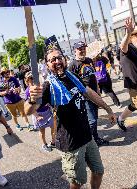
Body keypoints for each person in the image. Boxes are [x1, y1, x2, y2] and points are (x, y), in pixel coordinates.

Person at [25, 46, 116, 189]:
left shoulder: (72, 77)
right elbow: (29, 110)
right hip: (71, 144)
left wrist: (108, 108)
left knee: (98, 171)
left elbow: (88, 92)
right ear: (48, 65)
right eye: (52, 59)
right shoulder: (48, 86)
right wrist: (31, 99)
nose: (57, 61)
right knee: (77, 182)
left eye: (59, 57)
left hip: (87, 136)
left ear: (64, 59)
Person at [68, 41, 109, 146]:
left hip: (95, 94)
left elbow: (94, 76)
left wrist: (98, 90)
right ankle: (88, 143)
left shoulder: (89, 60)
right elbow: (70, 83)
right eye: (80, 49)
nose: (82, 50)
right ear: (75, 50)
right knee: (92, 121)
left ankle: (95, 139)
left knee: (94, 118)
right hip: (84, 97)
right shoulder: (72, 65)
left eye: (83, 48)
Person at [24, 71, 55, 152]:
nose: (34, 81)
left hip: (47, 111)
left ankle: (53, 141)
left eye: (35, 79)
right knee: (42, 131)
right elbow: (30, 107)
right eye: (31, 79)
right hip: (38, 114)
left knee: (53, 127)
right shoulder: (28, 91)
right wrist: (37, 116)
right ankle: (44, 144)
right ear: (27, 82)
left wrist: (50, 106)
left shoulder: (42, 87)